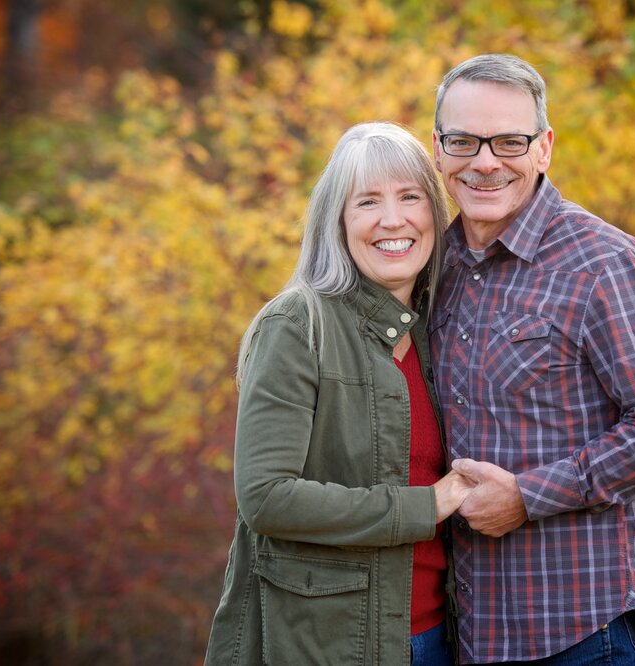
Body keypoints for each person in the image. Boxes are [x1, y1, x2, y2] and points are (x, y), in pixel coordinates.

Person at [428, 54, 635, 665]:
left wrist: (529, 496)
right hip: (473, 632)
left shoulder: (602, 261)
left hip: (584, 631)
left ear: (544, 148)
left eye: (509, 141)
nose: (485, 161)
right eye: (463, 141)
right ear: (438, 148)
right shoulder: (435, 269)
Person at [204, 122, 472, 666]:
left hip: (441, 639)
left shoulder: (440, 328)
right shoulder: (297, 324)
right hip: (326, 645)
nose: (392, 220)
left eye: (410, 197)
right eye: (367, 201)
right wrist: (427, 506)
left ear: (434, 215)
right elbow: (267, 496)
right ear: (338, 222)